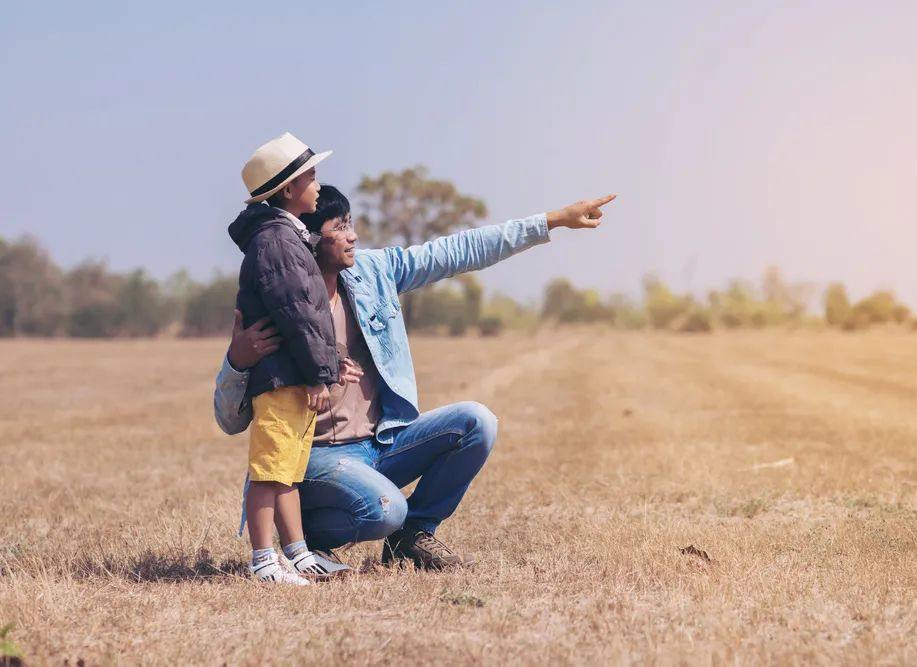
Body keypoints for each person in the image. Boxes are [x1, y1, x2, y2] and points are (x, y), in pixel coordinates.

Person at [215, 184, 616, 569]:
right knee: (385, 509)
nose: (353, 236)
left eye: (351, 223)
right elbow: (229, 420)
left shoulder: (374, 273)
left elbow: (457, 251)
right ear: (310, 240)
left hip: (381, 442)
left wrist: (553, 220)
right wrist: (237, 359)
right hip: (316, 458)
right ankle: (304, 538)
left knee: (476, 422)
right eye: (339, 228)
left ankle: (412, 536)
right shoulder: (277, 300)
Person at [227, 133, 349, 584]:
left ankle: (297, 554)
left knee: (288, 473)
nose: (318, 185)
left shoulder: (289, 237)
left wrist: (328, 365)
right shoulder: (276, 241)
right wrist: (321, 375)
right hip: (280, 378)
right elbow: (298, 314)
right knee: (268, 472)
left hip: (294, 377)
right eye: (311, 176)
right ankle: (263, 560)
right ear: (287, 190)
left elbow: (311, 318)